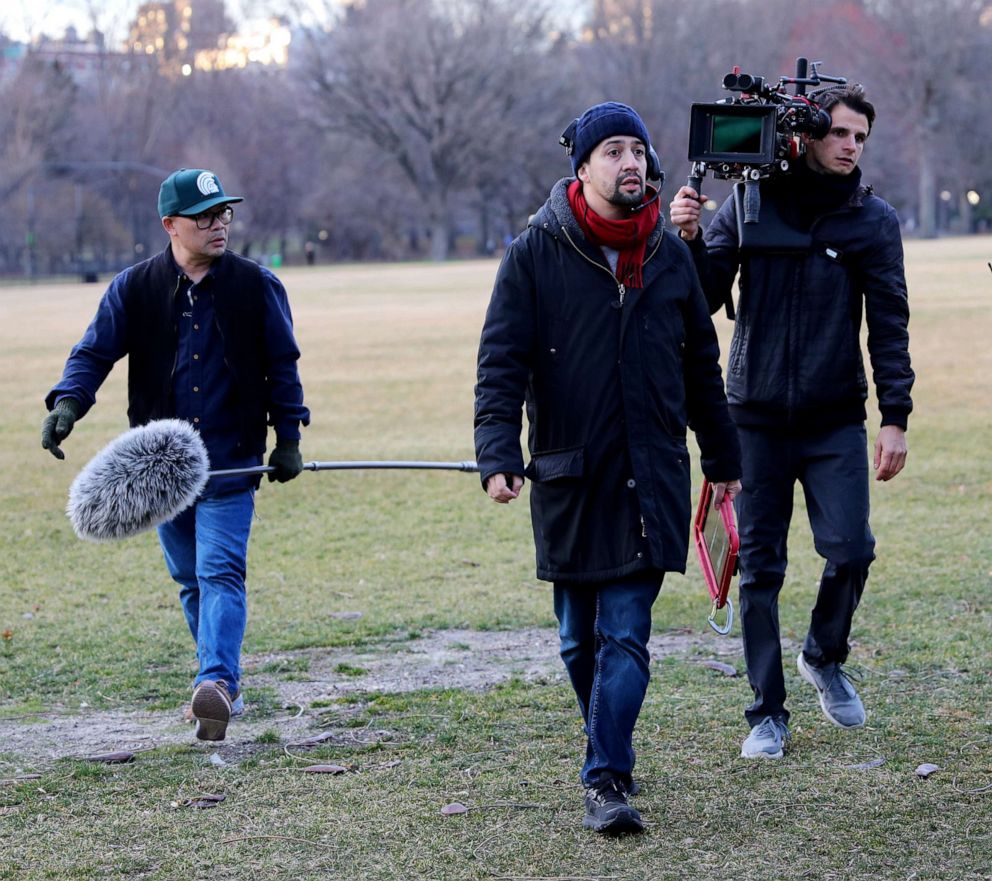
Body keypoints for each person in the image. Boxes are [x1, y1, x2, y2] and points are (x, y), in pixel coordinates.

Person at [474, 102, 742, 834]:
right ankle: (609, 740)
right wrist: (497, 453)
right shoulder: (535, 251)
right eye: (614, 151)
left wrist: (723, 457)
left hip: (651, 473)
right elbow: (501, 362)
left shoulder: (671, 252)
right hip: (569, 474)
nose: (631, 163)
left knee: (626, 631)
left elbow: (700, 366)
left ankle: (606, 776)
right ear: (583, 167)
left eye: (638, 150)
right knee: (575, 638)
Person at [670, 84, 914, 760]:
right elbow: (704, 299)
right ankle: (765, 713)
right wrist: (689, 239)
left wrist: (895, 416)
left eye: (860, 137)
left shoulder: (871, 219)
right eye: (838, 133)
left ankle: (823, 655)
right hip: (752, 418)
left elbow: (890, 323)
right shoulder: (749, 203)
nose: (849, 146)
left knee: (852, 548)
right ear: (802, 134)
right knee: (759, 570)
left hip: (835, 415)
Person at [41, 168, 310, 742]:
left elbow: (282, 364)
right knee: (189, 579)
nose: (219, 226)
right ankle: (215, 681)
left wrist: (288, 437)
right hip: (161, 469)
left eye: (225, 214)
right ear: (170, 225)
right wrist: (67, 404)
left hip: (233, 457)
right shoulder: (133, 288)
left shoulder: (255, 285)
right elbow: (93, 353)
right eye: (205, 217)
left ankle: (217, 682)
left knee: (220, 571)